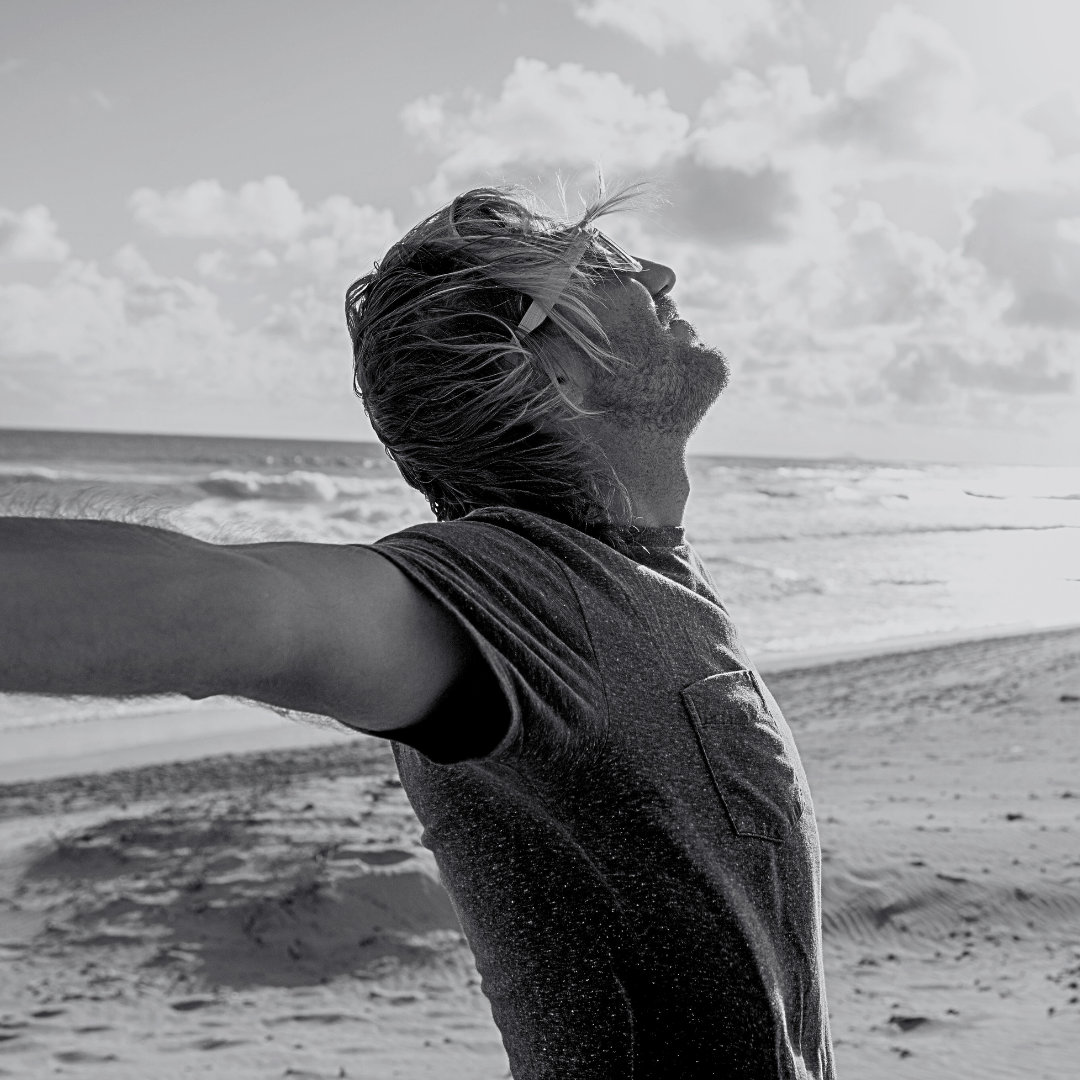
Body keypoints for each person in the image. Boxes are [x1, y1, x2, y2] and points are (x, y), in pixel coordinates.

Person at [0, 187, 835, 1079]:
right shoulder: (525, 590)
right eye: (604, 269)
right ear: (553, 368)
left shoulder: (643, 570)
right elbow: (254, 605)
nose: (660, 274)